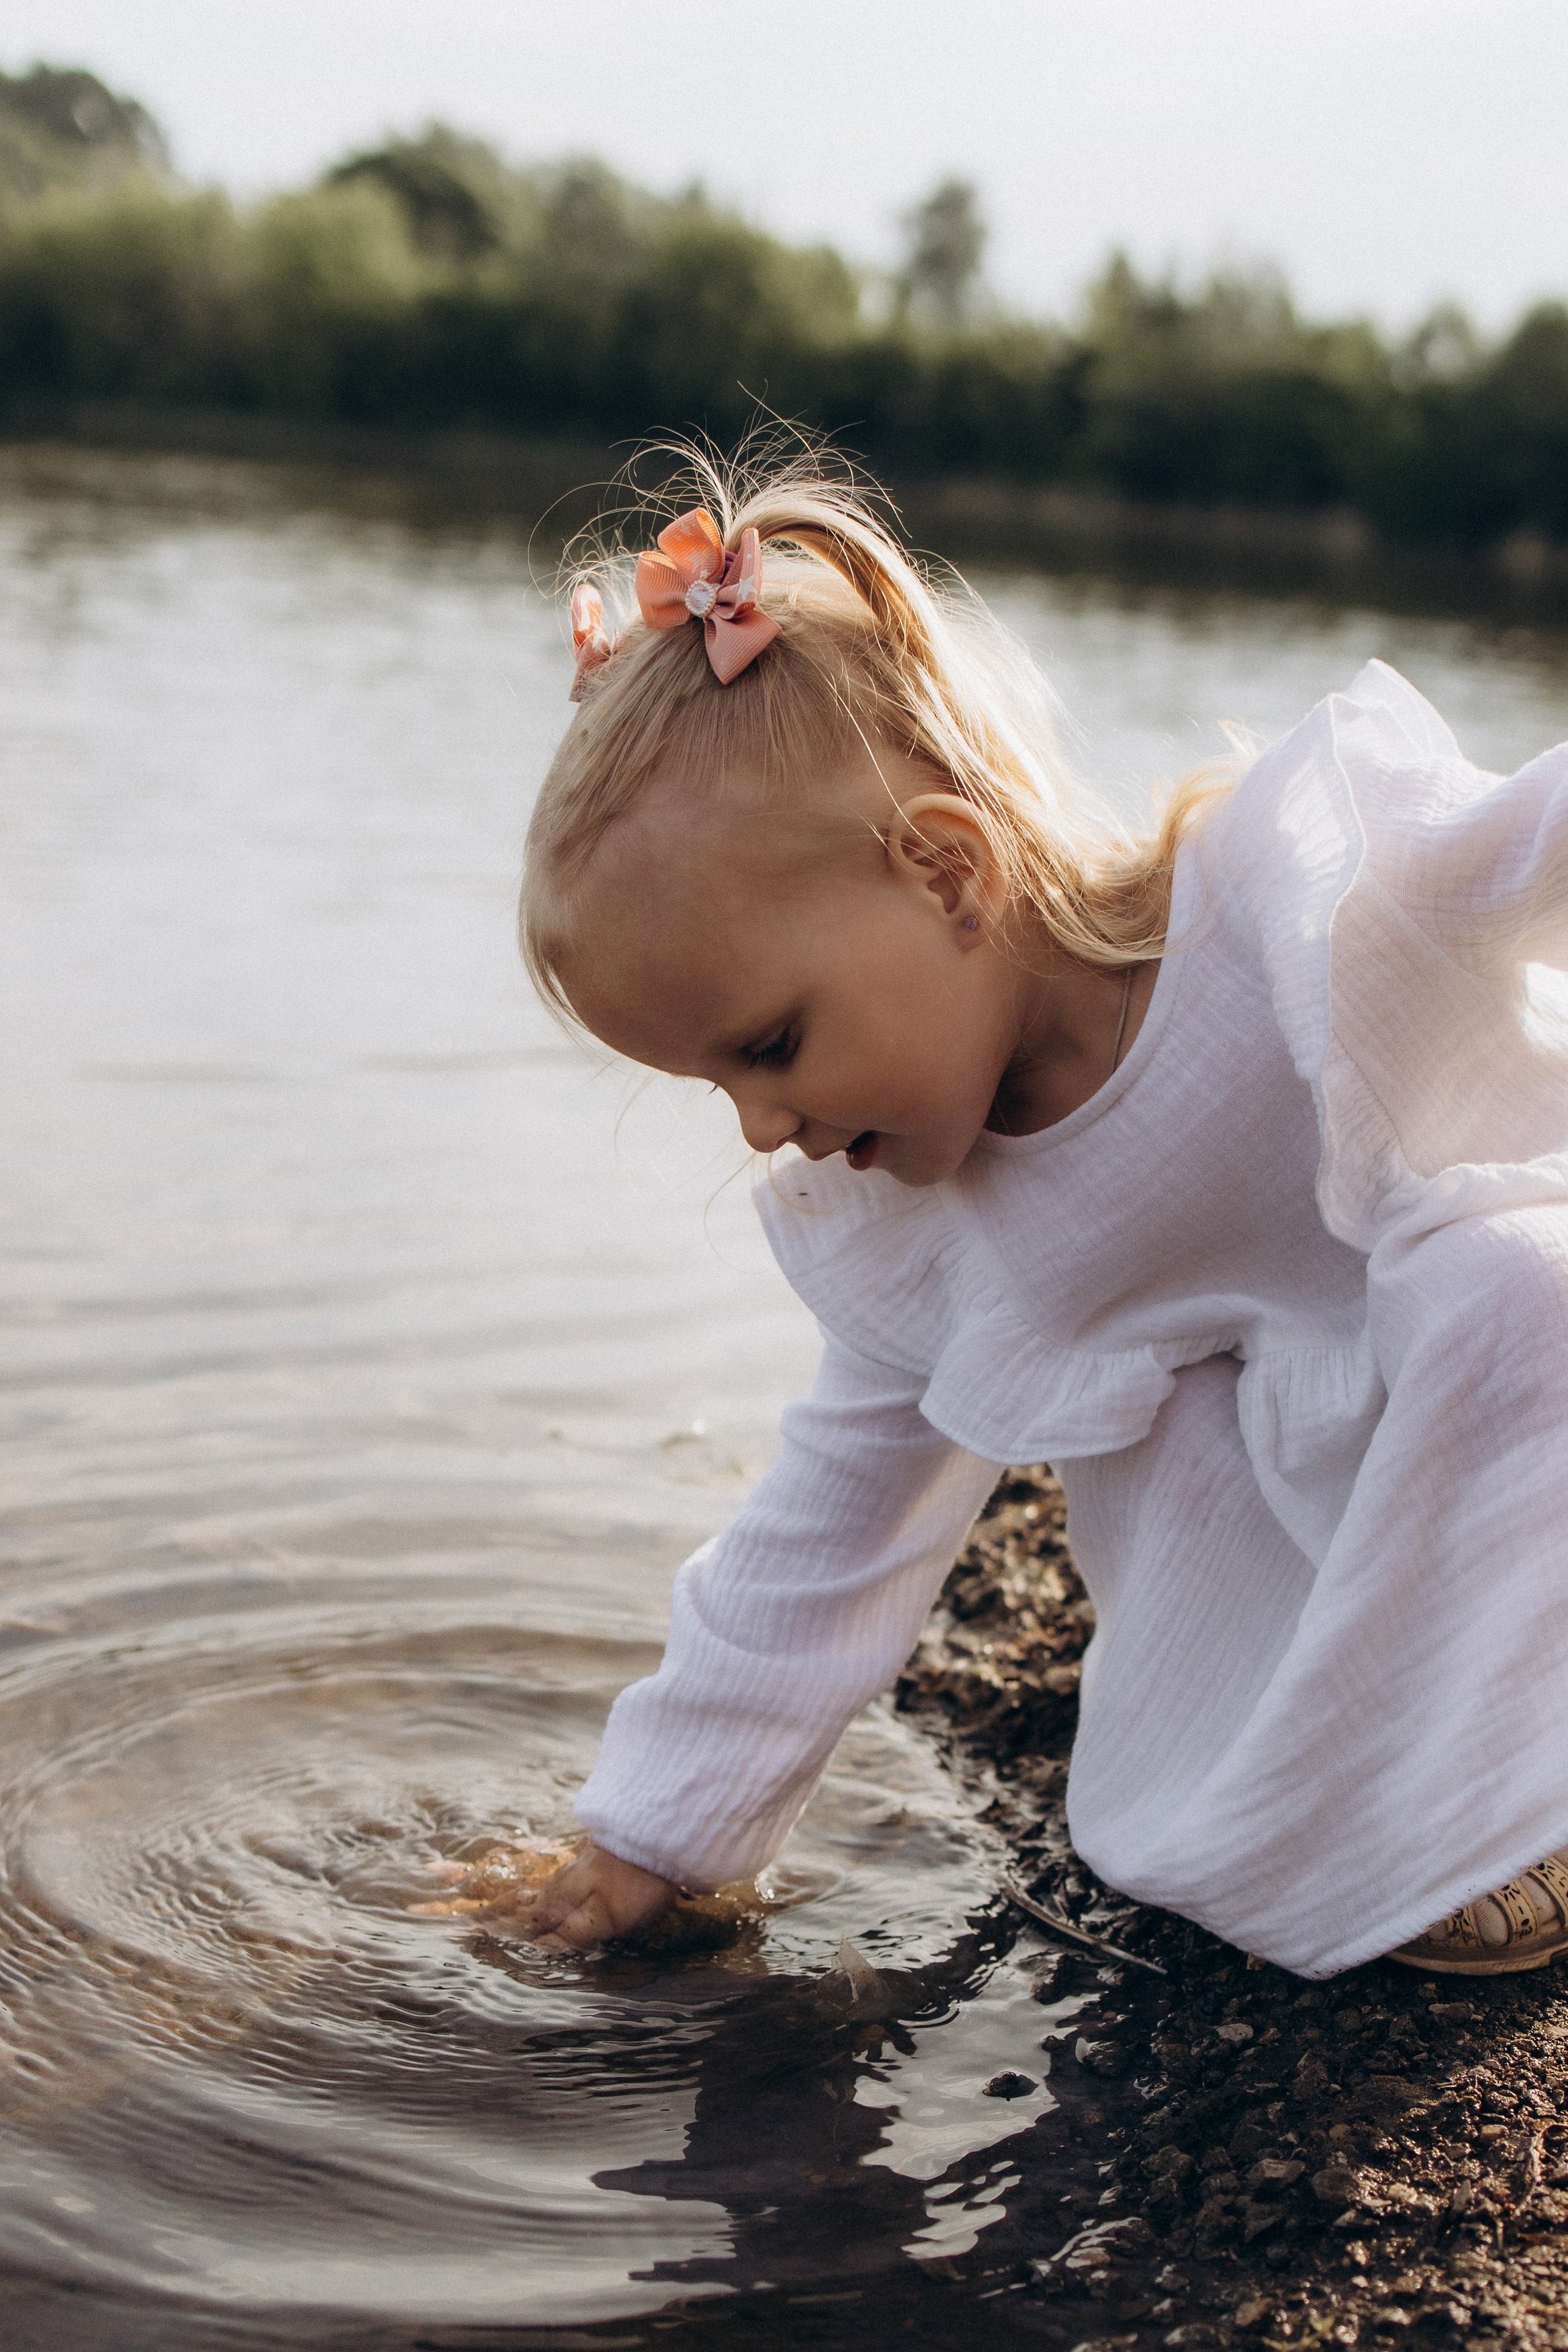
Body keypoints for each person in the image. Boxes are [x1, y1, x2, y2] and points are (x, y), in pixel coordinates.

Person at [423, 458, 1568, 1979]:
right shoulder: (936, 1229)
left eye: (768, 1046)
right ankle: (1414, 1812)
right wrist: (654, 1839)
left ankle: (1518, 1787)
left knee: (1504, 1292)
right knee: (1181, 1466)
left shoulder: (1293, 911)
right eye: (718, 1087)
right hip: (1380, 1521)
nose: (766, 1128)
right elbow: (827, 1531)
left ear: (946, 873)